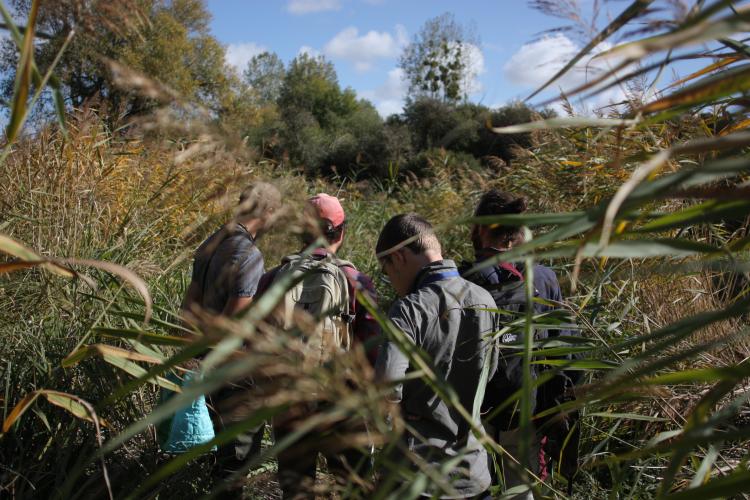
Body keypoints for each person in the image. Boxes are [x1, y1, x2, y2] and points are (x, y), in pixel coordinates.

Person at [256, 193, 380, 499]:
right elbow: (373, 348)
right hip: (342, 400)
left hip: (291, 399)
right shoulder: (355, 281)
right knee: (355, 487)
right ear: (341, 232)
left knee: (297, 491)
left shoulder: (272, 278)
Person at [461, 189, 580, 497]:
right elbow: (564, 349)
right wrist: (558, 410)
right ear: (516, 234)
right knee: (523, 490)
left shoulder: (462, 281)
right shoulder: (542, 279)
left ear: (481, 229)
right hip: (526, 407)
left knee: (476, 487)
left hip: (474, 410)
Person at [374, 213, 499, 499]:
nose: (390, 279)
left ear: (400, 256)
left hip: (419, 476)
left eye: (386, 268)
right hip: (473, 472)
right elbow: (489, 375)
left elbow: (387, 389)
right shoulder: (485, 300)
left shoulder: (409, 309)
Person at [181, 181, 282, 497]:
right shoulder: (249, 254)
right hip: (230, 371)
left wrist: (190, 358)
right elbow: (234, 320)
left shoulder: (211, 243)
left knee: (211, 455)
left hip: (202, 361)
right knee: (234, 464)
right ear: (267, 213)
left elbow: (189, 306)